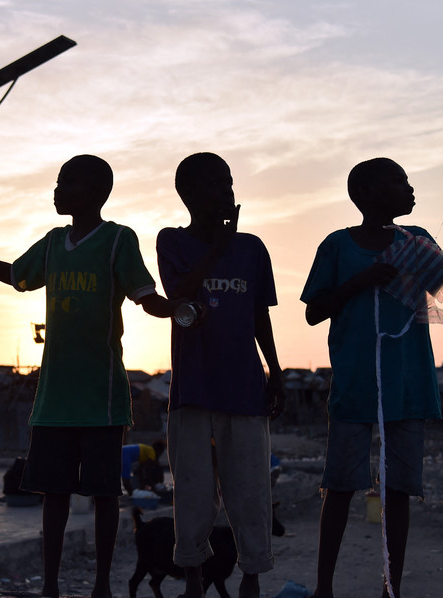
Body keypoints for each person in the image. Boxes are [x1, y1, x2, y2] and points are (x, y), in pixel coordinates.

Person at [0, 154, 176, 598]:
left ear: (96, 192)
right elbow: (13, 275)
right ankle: (49, 586)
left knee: (104, 495)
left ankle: (102, 585)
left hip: (101, 397)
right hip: (54, 400)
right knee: (55, 494)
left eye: (65, 183)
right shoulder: (51, 243)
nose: (56, 191)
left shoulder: (119, 241)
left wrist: (180, 309)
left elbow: (147, 297)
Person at [300, 157, 443, 598]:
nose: (410, 188)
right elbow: (313, 311)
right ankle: (325, 588)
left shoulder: (414, 241)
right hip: (356, 382)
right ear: (368, 193)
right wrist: (361, 281)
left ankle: (390, 588)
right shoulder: (339, 246)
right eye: (400, 181)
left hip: (407, 384)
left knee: (398, 490)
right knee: (340, 486)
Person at [156, 152, 284, 598]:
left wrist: (275, 370)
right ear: (187, 193)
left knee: (249, 490)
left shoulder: (252, 248)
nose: (226, 191)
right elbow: (179, 294)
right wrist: (215, 247)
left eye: (229, 182)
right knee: (192, 490)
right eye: (215, 183)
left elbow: (259, 317)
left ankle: (251, 575)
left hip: (245, 388)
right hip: (192, 389)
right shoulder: (171, 240)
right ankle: (193, 578)